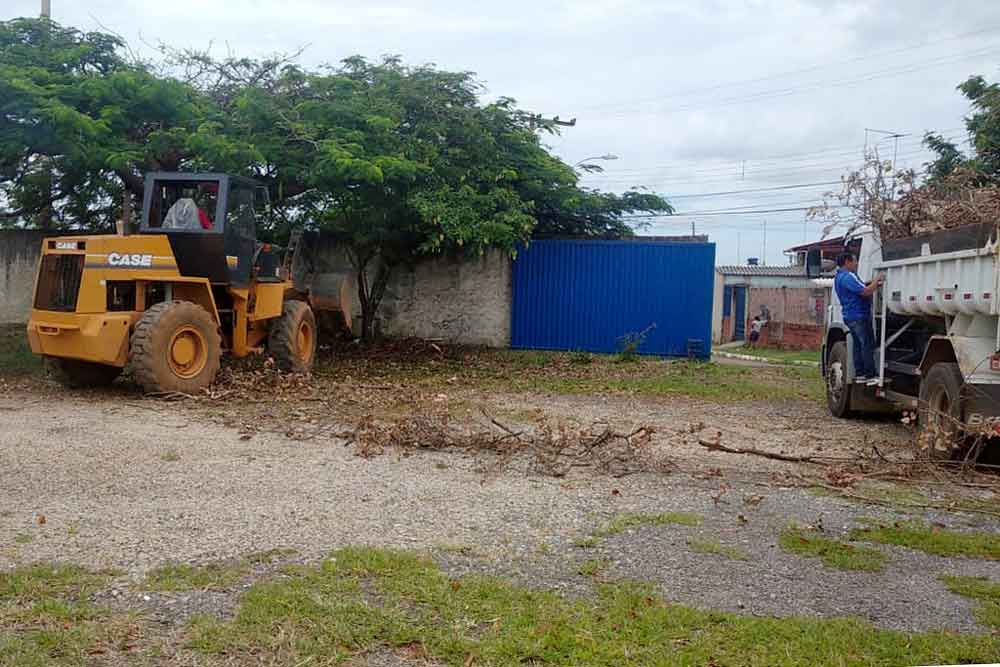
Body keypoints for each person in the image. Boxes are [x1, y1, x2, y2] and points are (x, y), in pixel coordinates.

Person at [834, 251, 884, 384]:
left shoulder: (839, 277)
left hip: (850, 316)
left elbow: (863, 288)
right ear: (847, 262)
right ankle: (870, 375)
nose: (856, 263)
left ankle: (861, 373)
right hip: (859, 315)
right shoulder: (848, 276)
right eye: (854, 261)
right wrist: (877, 279)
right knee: (867, 344)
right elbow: (865, 291)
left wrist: (873, 285)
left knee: (857, 345)